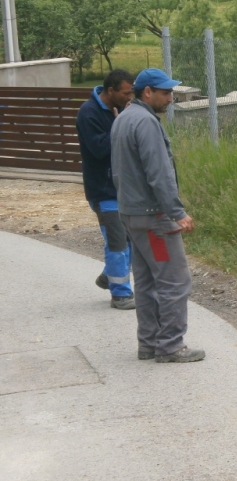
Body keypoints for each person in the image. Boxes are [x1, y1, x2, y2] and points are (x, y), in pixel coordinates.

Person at [110, 68, 205, 363]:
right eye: (165, 93)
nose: (171, 99)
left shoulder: (123, 117)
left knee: (149, 281)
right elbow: (159, 172)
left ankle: (149, 343)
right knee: (174, 281)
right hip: (154, 219)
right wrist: (176, 212)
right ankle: (171, 346)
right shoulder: (146, 123)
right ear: (147, 92)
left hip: (130, 214)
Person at [76, 69, 136, 310]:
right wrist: (119, 125)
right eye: (125, 92)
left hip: (124, 188)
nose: (129, 96)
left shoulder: (123, 108)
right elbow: (99, 149)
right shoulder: (88, 113)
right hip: (103, 190)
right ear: (110, 91)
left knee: (130, 241)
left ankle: (108, 276)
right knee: (118, 243)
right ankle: (121, 294)